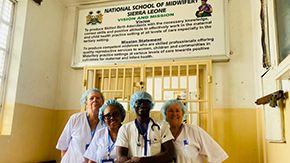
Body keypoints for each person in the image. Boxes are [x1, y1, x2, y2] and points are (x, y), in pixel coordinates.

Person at [161, 99, 229, 163]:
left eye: (177, 111)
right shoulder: (163, 133)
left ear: (183, 114)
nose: (174, 114)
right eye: (170, 111)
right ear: (165, 114)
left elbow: (216, 156)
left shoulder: (195, 131)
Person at [116, 91, 174, 163]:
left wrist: (142, 161)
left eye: (146, 103)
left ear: (151, 105)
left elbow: (169, 155)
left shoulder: (161, 126)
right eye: (138, 102)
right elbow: (120, 157)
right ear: (133, 105)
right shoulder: (125, 129)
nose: (142, 105)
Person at [56, 88, 106, 163]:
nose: (95, 100)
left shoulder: (106, 123)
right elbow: (63, 145)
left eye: (98, 98)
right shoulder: (75, 118)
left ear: (102, 102)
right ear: (86, 103)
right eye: (91, 98)